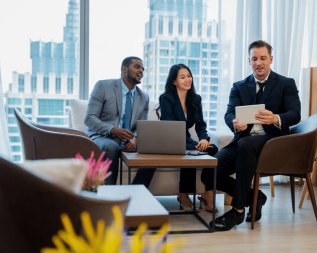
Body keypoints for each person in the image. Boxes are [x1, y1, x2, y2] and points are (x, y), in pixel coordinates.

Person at [212, 40, 301, 231]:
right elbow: (228, 113)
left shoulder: (286, 83)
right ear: (249, 61)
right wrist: (234, 122)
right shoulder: (239, 86)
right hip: (243, 139)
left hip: (273, 143)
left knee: (246, 145)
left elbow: (295, 114)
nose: (258, 63)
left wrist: (275, 118)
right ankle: (255, 197)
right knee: (209, 171)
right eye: (254, 59)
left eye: (263, 58)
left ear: (271, 59)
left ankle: (237, 210)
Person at [157, 63, 218, 212]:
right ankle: (183, 194)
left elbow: (201, 125)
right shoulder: (166, 98)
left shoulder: (195, 99)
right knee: (191, 151)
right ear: (174, 81)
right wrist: (193, 145)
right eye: (182, 77)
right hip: (171, 140)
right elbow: (169, 126)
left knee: (212, 149)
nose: (187, 79)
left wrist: (204, 139)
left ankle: (208, 193)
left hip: (187, 140)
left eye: (189, 76)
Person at [85, 56, 154, 185]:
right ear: (124, 69)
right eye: (137, 67)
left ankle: (136, 193)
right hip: (102, 136)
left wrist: (136, 139)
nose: (141, 71)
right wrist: (113, 130)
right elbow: (90, 118)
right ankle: (109, 196)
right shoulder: (103, 86)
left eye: (143, 69)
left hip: (127, 140)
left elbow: (142, 125)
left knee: (154, 151)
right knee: (111, 147)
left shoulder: (143, 96)